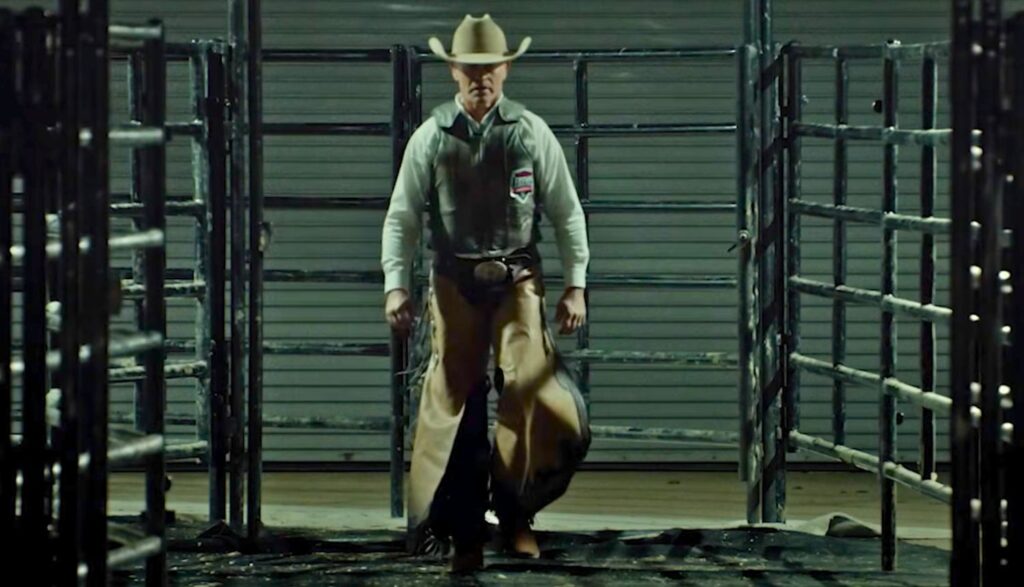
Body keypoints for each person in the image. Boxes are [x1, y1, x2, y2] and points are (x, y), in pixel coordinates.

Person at [381, 14, 591, 572]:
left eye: (490, 67)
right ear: (453, 70)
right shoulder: (432, 137)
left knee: (529, 388)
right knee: (452, 396)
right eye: (470, 69)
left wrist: (576, 284)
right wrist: (396, 285)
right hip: (455, 279)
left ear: (505, 69)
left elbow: (566, 211)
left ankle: (517, 513)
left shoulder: (530, 132)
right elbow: (402, 217)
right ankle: (454, 524)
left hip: (517, 277)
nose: (481, 78)